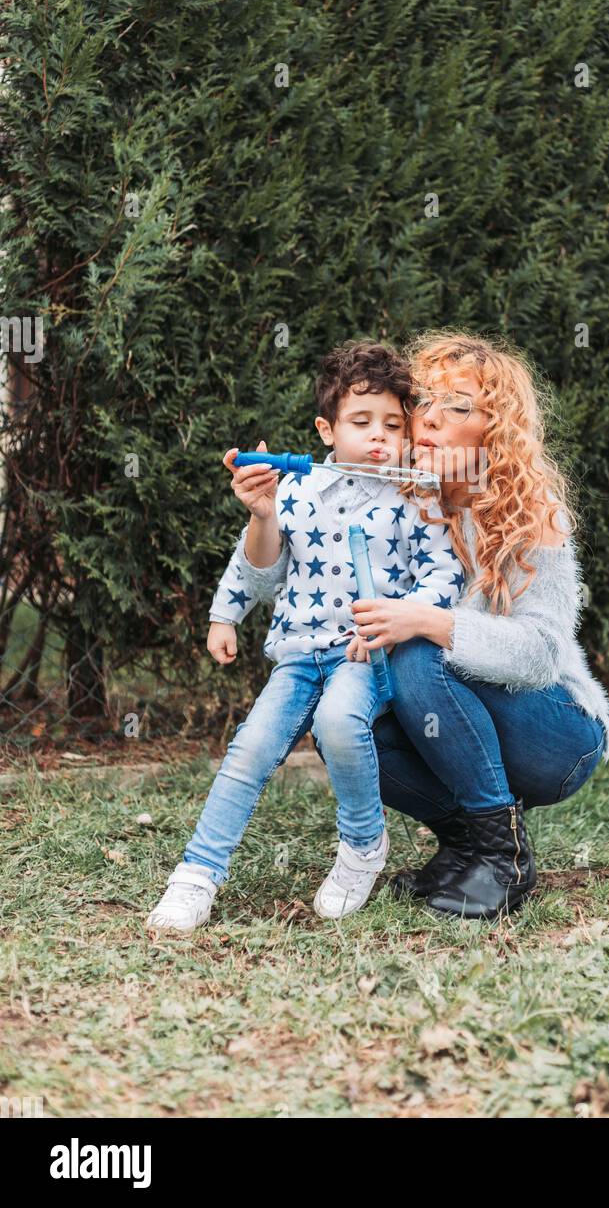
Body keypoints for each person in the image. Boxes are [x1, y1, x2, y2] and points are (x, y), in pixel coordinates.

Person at [145, 341, 459, 931]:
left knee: (338, 723)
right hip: (298, 653)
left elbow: (444, 575)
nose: (378, 437)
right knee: (250, 749)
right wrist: (232, 592)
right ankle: (196, 876)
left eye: (393, 424)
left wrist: (399, 620)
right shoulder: (296, 489)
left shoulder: (417, 494)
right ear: (325, 429)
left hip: (364, 654)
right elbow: (260, 569)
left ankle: (364, 844)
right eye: (360, 422)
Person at [346, 330, 609, 920]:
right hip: (462, 718)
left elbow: (543, 655)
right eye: (425, 402)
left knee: (421, 650)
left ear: (494, 429)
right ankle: (468, 843)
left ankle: (505, 858)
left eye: (459, 407)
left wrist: (432, 622)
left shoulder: (532, 512)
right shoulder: (402, 502)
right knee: (344, 724)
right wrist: (265, 513)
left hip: (557, 734)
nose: (431, 420)